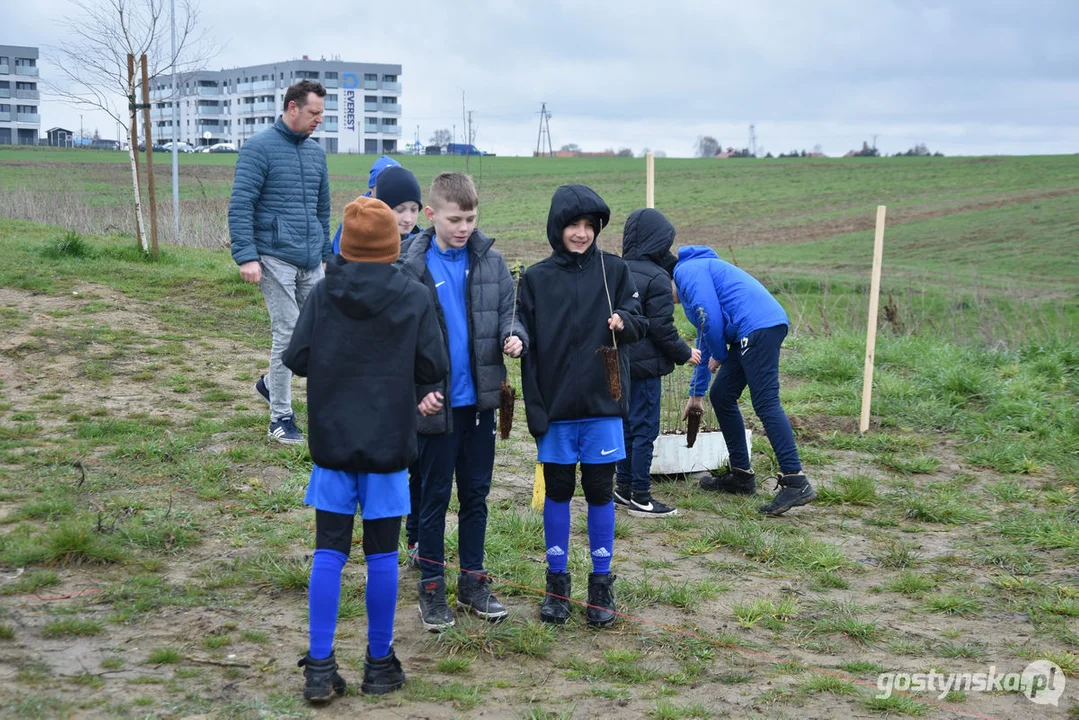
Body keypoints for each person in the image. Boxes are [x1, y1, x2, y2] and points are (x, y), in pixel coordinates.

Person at [283, 196, 447, 703]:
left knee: (329, 551)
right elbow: (431, 367)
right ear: (391, 244)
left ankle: (319, 665)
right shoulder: (413, 295)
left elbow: (299, 357)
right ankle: (379, 663)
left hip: (333, 443)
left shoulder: (324, 292)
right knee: (380, 555)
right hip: (388, 446)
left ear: (345, 245)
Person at [398, 172, 527, 632]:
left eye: (471, 218)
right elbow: (398, 343)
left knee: (475, 496)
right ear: (431, 216)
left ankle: (472, 582)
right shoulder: (410, 267)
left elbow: (512, 317)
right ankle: (431, 586)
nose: (465, 227)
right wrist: (417, 395)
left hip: (480, 406)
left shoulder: (492, 263)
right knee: (433, 498)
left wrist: (515, 338)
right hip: (435, 406)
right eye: (455, 219)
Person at [519, 184, 646, 627]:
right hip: (554, 407)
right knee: (557, 492)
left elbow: (640, 322)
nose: (580, 233)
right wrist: (517, 339)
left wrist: (624, 322)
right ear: (557, 228)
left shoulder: (615, 272)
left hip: (602, 406)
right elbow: (522, 323)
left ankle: (601, 585)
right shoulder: (535, 278)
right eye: (572, 225)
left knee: (597, 491)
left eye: (588, 226)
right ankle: (557, 584)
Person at [672, 245, 816, 516]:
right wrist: (697, 395)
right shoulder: (696, 271)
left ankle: (796, 480)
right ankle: (741, 476)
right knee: (722, 395)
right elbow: (707, 331)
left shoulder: (686, 271)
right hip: (749, 329)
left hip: (758, 327)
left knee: (766, 403)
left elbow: (710, 319)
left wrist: (720, 352)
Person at [229, 79, 331, 445]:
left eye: (322, 113)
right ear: (292, 107)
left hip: (310, 259)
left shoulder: (317, 154)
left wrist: (326, 257)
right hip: (273, 256)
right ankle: (281, 418)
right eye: (314, 113)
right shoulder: (258, 149)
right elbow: (241, 205)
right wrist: (246, 256)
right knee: (288, 332)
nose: (319, 119)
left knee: (320, 332)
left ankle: (270, 385)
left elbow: (322, 210)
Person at [615, 209, 701, 518]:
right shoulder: (658, 278)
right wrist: (684, 352)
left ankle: (622, 489)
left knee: (626, 428)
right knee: (645, 431)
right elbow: (661, 327)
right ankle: (641, 496)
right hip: (647, 367)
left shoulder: (616, 269)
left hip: (618, 365)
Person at [329, 155, 408, 253]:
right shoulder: (354, 218)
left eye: (396, 188)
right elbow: (339, 255)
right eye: (383, 188)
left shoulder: (406, 216)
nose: (390, 193)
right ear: (372, 189)